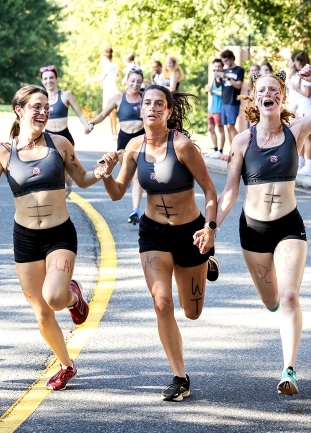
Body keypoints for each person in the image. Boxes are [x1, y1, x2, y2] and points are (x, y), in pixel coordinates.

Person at [0, 84, 105, 391]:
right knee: (43, 314)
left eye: (46, 107)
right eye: (36, 107)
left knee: (56, 297)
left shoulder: (59, 144)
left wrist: (102, 170)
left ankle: (73, 297)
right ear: (19, 110)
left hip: (59, 233)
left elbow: (84, 180)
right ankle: (66, 365)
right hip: (26, 238)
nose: (44, 112)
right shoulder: (3, 154)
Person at [210, 66, 311, 395]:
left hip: (289, 226)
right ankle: (277, 311)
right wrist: (211, 227)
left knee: (289, 296)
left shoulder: (296, 130)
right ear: (256, 100)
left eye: (274, 90)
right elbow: (229, 191)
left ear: (281, 97)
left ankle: (289, 369)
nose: (268, 93)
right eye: (262, 90)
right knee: (271, 300)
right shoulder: (242, 141)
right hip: (253, 232)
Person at [97, 84, 219, 401]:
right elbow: (116, 192)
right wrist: (107, 173)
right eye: (147, 103)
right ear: (141, 109)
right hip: (153, 233)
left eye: (158, 104)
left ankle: (206, 259)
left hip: (191, 232)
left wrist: (210, 228)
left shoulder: (183, 147)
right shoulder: (134, 148)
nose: (152, 107)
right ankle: (180, 377)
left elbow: (209, 190)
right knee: (162, 301)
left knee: (192, 313)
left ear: (167, 111)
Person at [87, 68, 145, 224]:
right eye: (132, 81)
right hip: (124, 142)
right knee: (127, 177)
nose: (135, 84)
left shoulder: (145, 98)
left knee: (137, 177)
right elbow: (103, 114)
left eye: (139, 81)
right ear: (126, 81)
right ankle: (127, 191)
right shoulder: (118, 98)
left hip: (141, 140)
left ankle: (135, 211)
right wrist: (91, 123)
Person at [40, 65, 92, 195]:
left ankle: (68, 182)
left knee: (65, 168)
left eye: (51, 77)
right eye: (45, 79)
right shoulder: (41, 98)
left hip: (64, 136)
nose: (48, 81)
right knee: (52, 166)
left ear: (56, 78)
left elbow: (79, 113)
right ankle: (57, 190)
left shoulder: (65, 95)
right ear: (42, 81)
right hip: (48, 137)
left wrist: (86, 125)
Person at [292, 52, 311, 176]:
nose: (295, 64)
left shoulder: (307, 74)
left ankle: (309, 165)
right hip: (302, 108)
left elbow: (307, 93)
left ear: (300, 61)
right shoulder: (304, 74)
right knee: (300, 136)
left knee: (307, 137)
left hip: (307, 108)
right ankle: (301, 162)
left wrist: (297, 88)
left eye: (296, 61)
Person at [216, 49, 245, 158]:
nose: (225, 63)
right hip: (224, 101)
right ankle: (232, 150)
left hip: (233, 101)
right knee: (227, 127)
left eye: (226, 60)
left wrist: (226, 77)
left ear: (232, 58)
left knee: (230, 126)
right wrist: (217, 77)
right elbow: (218, 85)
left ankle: (241, 147)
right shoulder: (224, 70)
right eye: (223, 61)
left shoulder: (239, 70)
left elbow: (238, 85)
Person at [87, 48, 120, 137]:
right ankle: (115, 133)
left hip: (108, 91)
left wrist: (90, 80)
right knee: (112, 114)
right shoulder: (114, 66)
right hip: (115, 90)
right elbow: (117, 75)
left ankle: (111, 133)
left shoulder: (107, 66)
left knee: (106, 113)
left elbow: (101, 78)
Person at [206, 58, 225, 158]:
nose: (217, 68)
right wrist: (210, 89)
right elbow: (213, 91)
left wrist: (212, 91)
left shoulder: (223, 78)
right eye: (215, 66)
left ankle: (220, 151)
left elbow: (223, 93)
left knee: (220, 129)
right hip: (212, 108)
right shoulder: (214, 78)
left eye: (219, 66)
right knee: (210, 129)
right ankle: (215, 149)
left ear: (222, 67)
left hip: (220, 108)